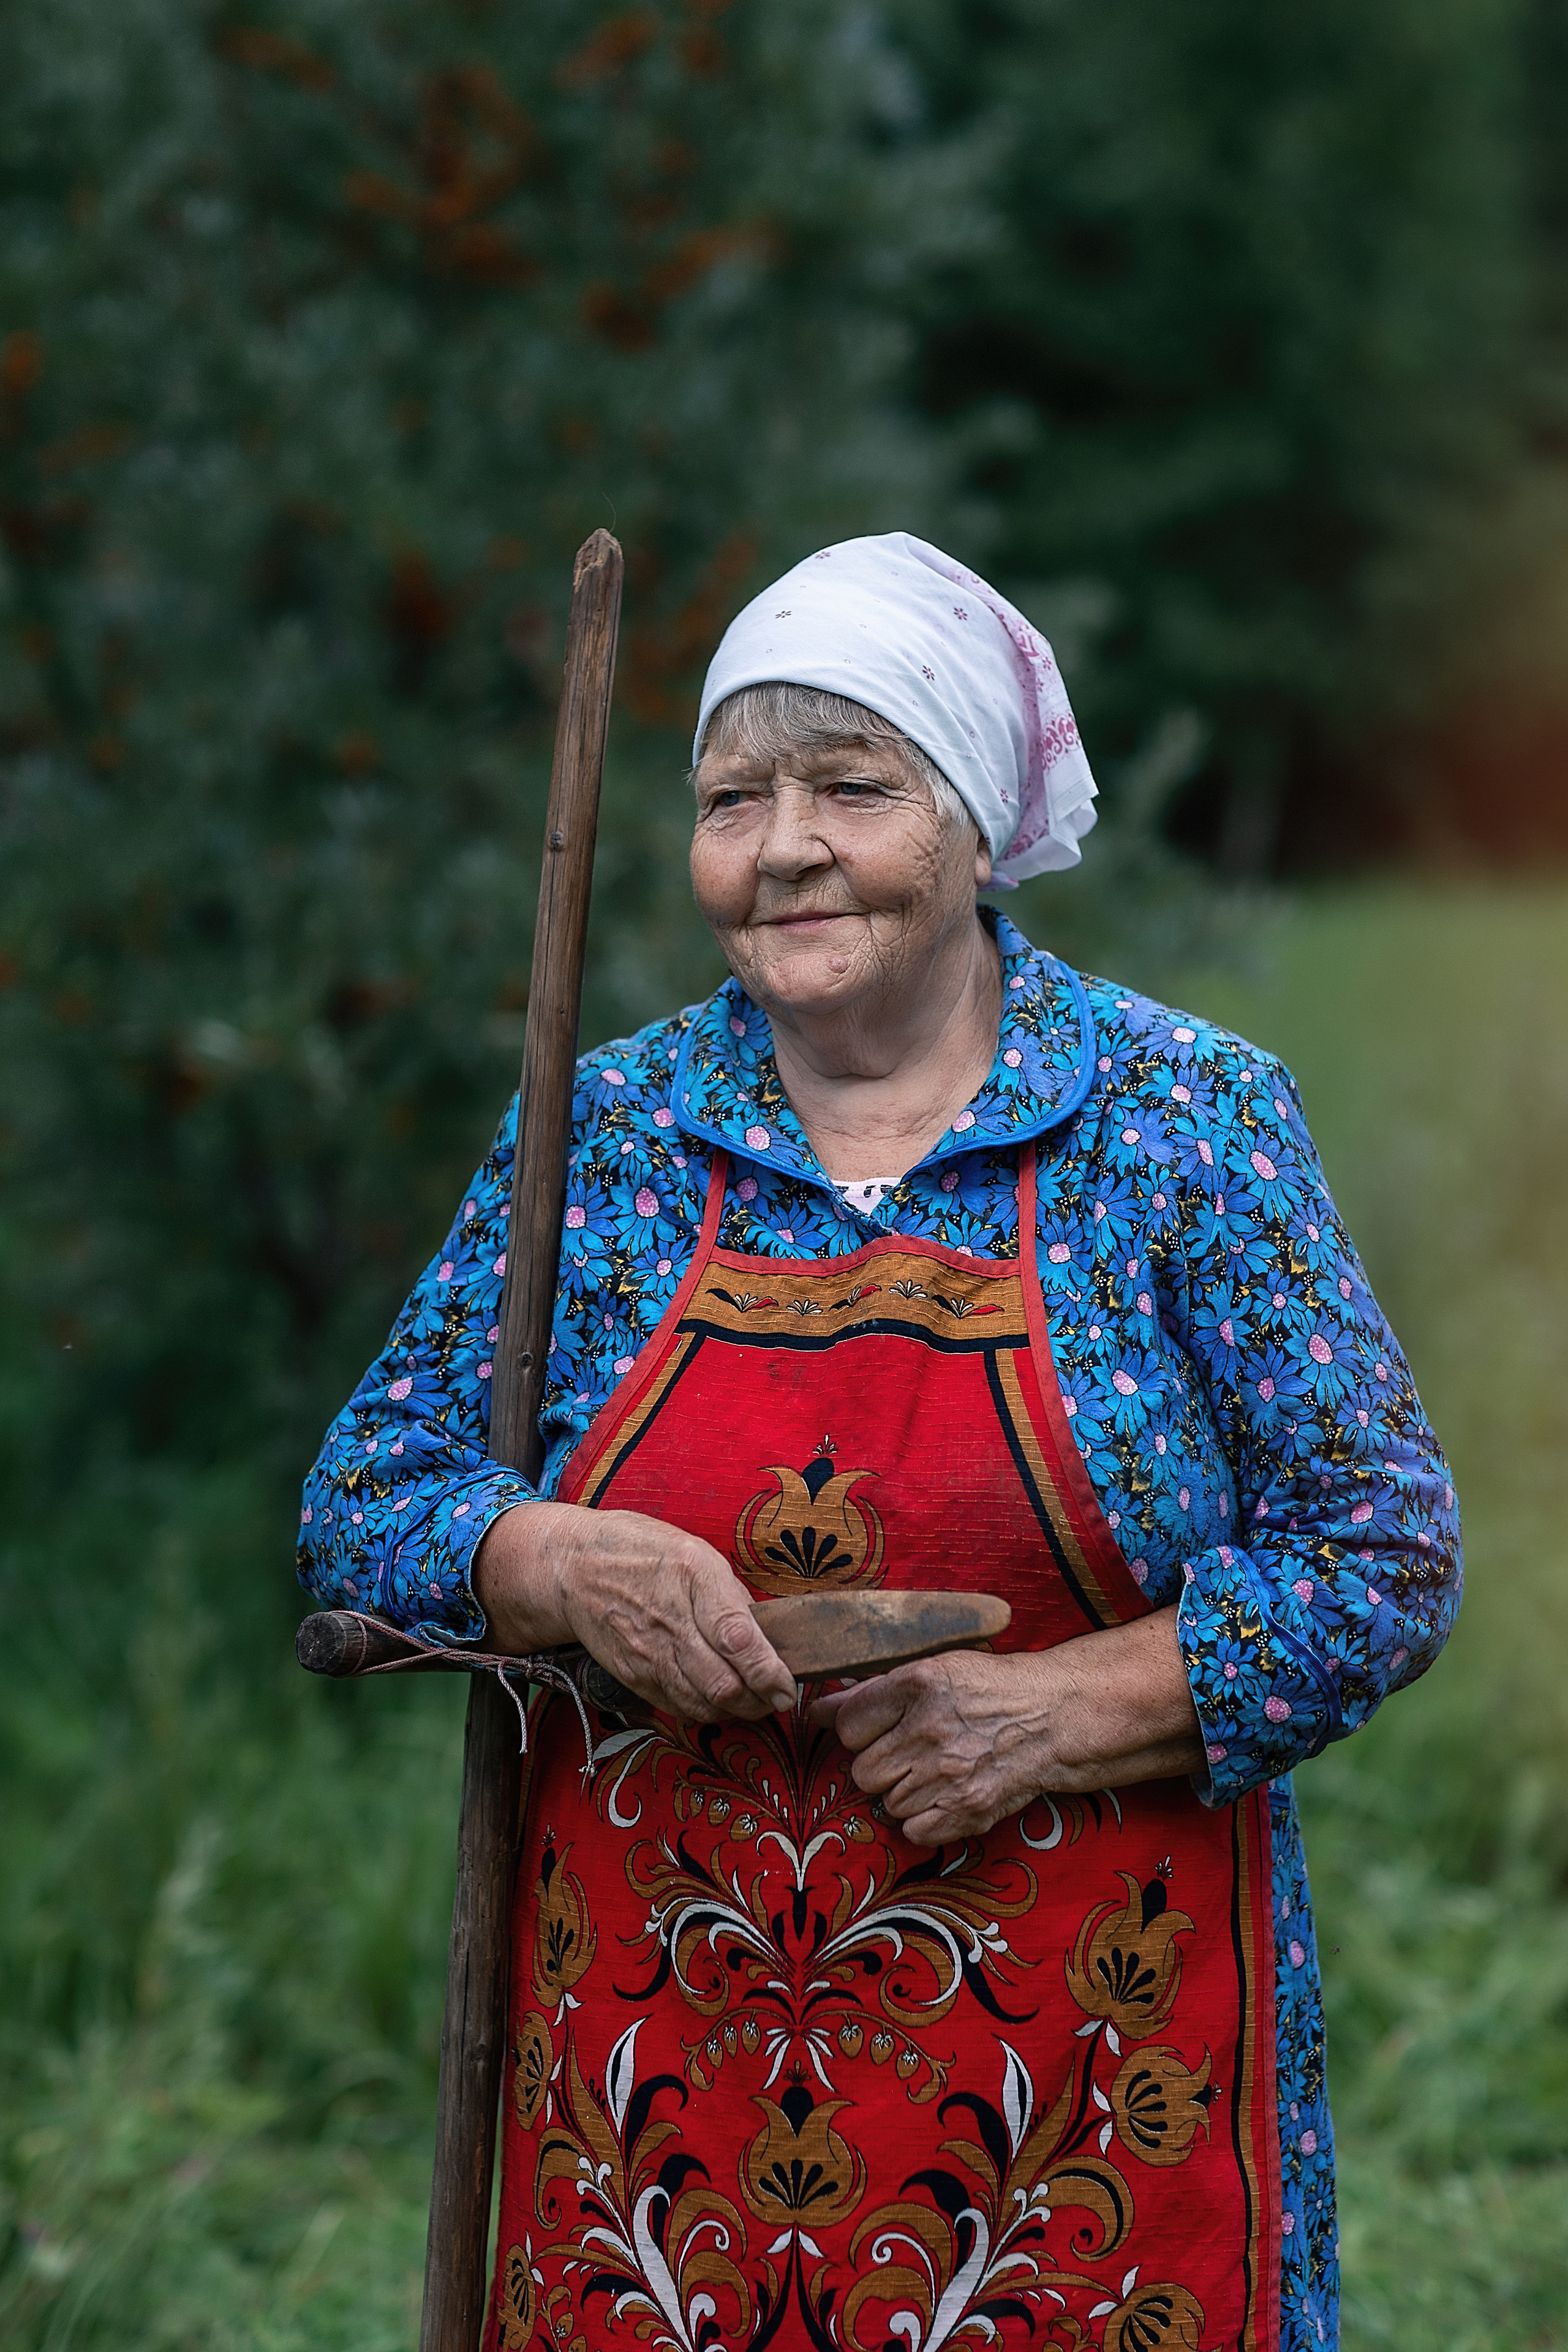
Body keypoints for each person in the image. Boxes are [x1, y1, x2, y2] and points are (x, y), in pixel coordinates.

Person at [299, 533, 1460, 2352]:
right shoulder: (605, 1132)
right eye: (731, 796)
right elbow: (370, 1496)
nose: (782, 848)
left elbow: (1378, 1548)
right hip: (650, 2105)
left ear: (977, 824)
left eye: (855, 785)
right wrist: (550, 1560)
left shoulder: (1179, 1119)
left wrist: (1054, 1712)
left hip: (1093, 2071)